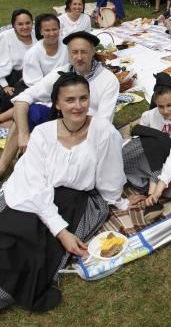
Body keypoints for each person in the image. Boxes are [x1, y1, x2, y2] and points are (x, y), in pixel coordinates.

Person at [0, 72, 129, 312]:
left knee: (33, 252)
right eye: (70, 100)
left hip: (72, 200)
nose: (78, 106)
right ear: (57, 104)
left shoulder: (104, 132)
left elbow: (110, 180)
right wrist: (61, 231)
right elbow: (35, 184)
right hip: (31, 196)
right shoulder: (42, 133)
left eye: (83, 98)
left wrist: (118, 201)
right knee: (9, 234)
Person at [0, 31, 119, 178]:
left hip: (86, 132)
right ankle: (2, 167)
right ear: (68, 52)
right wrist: (24, 135)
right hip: (60, 123)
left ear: (93, 51)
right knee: (30, 111)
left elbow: (103, 124)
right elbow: (23, 98)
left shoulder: (108, 80)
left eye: (84, 52)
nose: (79, 57)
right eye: (74, 52)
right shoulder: (61, 73)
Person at [123, 73, 171, 206]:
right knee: (137, 147)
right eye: (161, 106)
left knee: (163, 164)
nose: (166, 111)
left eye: (169, 105)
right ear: (156, 103)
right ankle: (153, 187)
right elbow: (142, 143)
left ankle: (154, 191)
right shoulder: (149, 116)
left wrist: (158, 190)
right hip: (154, 155)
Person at [0, 9, 35, 117]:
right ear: (14, 25)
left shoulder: (37, 35)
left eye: (28, 23)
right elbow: (1, 62)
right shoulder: (6, 37)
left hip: (31, 75)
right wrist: (4, 86)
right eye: (20, 24)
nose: (25, 27)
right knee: (10, 98)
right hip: (9, 77)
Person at [22, 14, 68, 87]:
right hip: (44, 91)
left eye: (54, 29)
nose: (52, 33)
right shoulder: (32, 54)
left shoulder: (68, 44)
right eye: (47, 30)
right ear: (41, 31)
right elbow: (35, 83)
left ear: (59, 29)